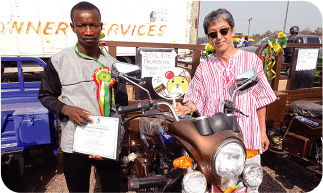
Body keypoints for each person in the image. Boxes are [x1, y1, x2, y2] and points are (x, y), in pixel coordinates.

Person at [38, 1, 128, 192]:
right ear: (73, 27)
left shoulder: (113, 66)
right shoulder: (59, 61)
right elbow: (46, 96)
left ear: (101, 27)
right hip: (74, 144)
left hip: (106, 145)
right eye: (81, 25)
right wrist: (65, 108)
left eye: (94, 25)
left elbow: (121, 107)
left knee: (112, 188)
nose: (88, 31)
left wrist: (116, 140)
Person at [173, 9, 276, 164]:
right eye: (213, 34)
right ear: (209, 38)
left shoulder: (252, 61)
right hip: (215, 142)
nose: (219, 37)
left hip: (247, 137)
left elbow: (260, 100)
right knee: (216, 184)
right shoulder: (204, 67)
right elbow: (196, 99)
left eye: (223, 31)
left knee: (249, 182)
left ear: (232, 31)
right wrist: (184, 109)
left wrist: (262, 132)